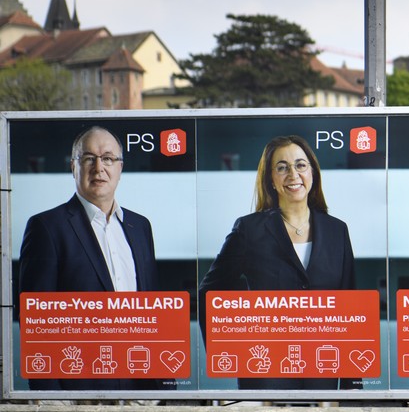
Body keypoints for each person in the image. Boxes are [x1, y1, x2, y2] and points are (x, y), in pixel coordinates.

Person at [198, 135, 357, 390]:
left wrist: (352, 383)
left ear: (313, 173)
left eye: (300, 165)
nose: (293, 174)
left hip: (323, 370)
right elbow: (209, 293)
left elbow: (349, 306)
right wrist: (230, 355)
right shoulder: (249, 229)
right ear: (271, 179)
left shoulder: (337, 230)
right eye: (282, 168)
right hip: (265, 373)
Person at [19, 126, 161, 392]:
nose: (99, 168)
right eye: (88, 159)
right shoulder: (46, 227)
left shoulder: (140, 227)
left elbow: (152, 312)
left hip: (141, 383)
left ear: (120, 168)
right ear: (73, 167)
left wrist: (164, 386)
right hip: (79, 387)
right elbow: (36, 324)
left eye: (108, 158)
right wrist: (52, 400)